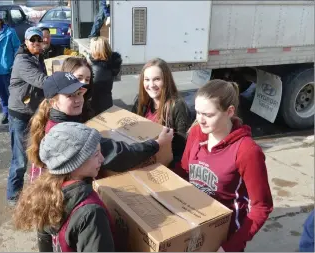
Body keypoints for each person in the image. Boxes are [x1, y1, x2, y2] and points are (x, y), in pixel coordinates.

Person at [177, 79, 273, 252]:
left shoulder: (247, 151)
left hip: (225, 235)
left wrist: (232, 245)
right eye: (198, 113)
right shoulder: (197, 133)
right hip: (195, 223)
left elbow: (262, 207)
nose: (200, 120)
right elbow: (184, 170)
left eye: (208, 115)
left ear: (230, 111)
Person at [27, 72, 173, 184]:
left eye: (79, 93)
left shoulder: (58, 121)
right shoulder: (68, 132)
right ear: (53, 102)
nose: (78, 99)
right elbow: (117, 154)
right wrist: (157, 144)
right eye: (70, 96)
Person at [14, 122, 115, 252]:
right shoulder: (91, 212)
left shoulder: (46, 193)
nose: (102, 158)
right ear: (75, 163)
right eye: (96, 154)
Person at [6, 27, 48, 206]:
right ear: (26, 42)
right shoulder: (22, 60)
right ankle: (13, 194)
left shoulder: (38, 57)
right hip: (20, 115)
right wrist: (66, 80)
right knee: (20, 158)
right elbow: (42, 81)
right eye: (33, 40)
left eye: (39, 40)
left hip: (33, 112)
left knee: (36, 153)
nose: (36, 43)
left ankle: (34, 189)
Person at [132, 58, 190, 168]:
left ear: (166, 80)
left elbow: (181, 148)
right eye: (147, 79)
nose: (151, 84)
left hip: (164, 166)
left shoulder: (177, 106)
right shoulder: (141, 102)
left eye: (157, 79)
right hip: (141, 160)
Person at [88, 36, 122, 114]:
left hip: (96, 107)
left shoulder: (98, 69)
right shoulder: (110, 64)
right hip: (107, 102)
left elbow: (90, 91)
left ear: (96, 50)